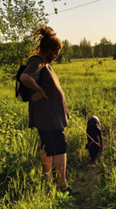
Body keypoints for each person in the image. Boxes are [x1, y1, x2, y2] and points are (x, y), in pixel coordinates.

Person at [20, 24, 76, 194]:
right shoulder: (36, 61)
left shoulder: (43, 63)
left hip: (50, 117)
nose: (56, 57)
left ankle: (49, 180)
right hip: (48, 118)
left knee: (48, 147)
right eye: (55, 53)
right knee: (59, 146)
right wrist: (39, 91)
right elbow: (25, 77)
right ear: (48, 50)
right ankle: (61, 185)